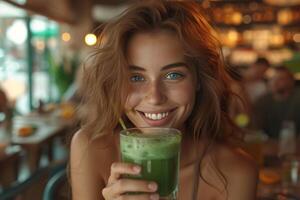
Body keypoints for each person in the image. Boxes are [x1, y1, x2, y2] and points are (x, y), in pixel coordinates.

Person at [70, 1, 258, 200]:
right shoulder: (89, 149)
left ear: (199, 80)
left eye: (173, 75)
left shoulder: (238, 172)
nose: (155, 97)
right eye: (135, 77)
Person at [253, 66, 300, 138]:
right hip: (269, 145)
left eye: (280, 79)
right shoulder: (263, 100)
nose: (274, 82)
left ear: (291, 81)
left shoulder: (297, 98)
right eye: (272, 79)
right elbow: (253, 126)